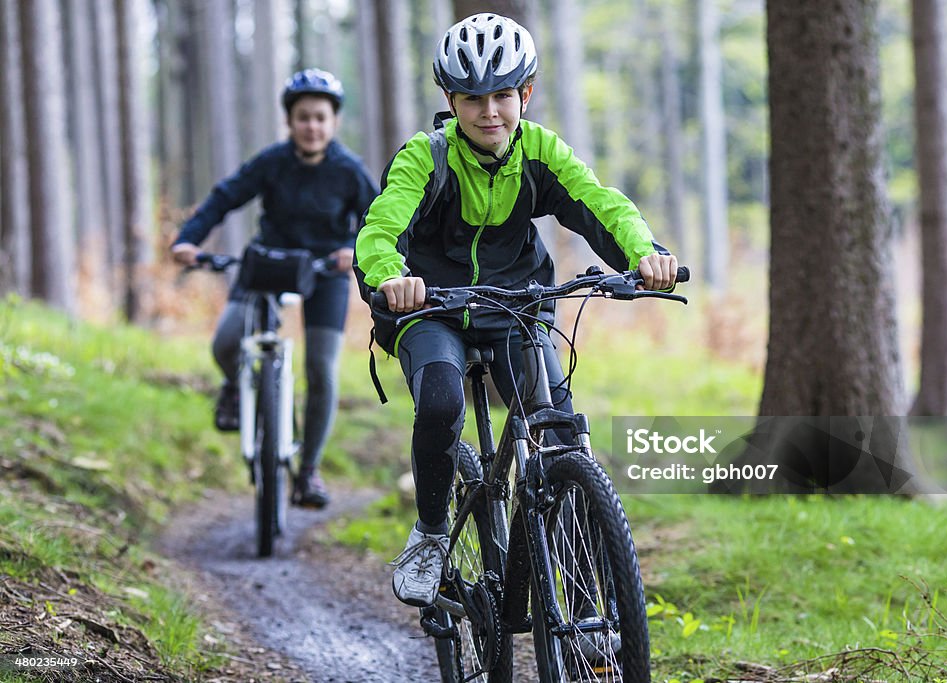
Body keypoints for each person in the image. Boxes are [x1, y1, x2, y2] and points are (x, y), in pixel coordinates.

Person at [355, 13, 678, 607]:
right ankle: (430, 534)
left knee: (558, 435)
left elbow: (599, 203)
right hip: (432, 307)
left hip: (516, 305)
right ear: (450, 99)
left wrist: (646, 253)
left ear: (525, 93)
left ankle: (587, 602)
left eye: (503, 95)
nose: (489, 112)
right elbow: (380, 231)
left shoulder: (539, 150)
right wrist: (392, 278)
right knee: (442, 401)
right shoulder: (424, 157)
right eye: (472, 98)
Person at [171, 68, 378, 509]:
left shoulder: (349, 171)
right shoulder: (272, 162)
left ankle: (308, 472)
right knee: (227, 344)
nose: (312, 126)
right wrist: (188, 239)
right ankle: (236, 387)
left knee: (321, 370)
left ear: (334, 122)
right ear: (290, 121)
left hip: (325, 273)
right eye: (303, 117)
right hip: (267, 265)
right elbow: (224, 198)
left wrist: (352, 250)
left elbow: (378, 220)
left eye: (321, 117)